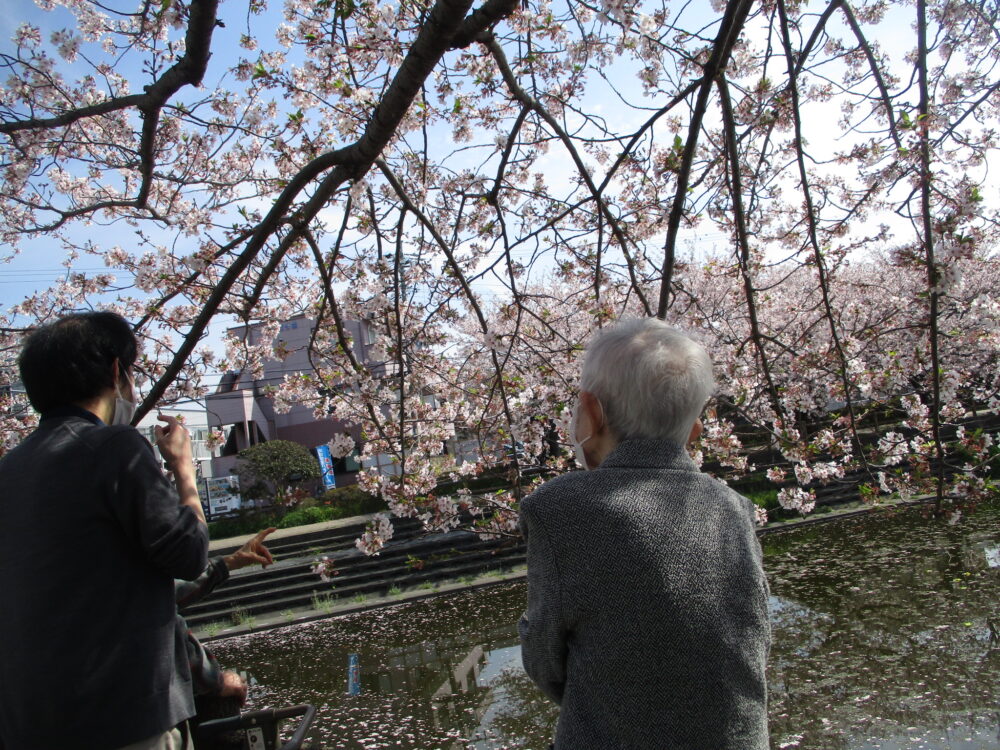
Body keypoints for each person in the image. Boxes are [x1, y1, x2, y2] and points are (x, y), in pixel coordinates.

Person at [518, 318, 770, 749]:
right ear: (694, 433)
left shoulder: (557, 507)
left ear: (591, 412)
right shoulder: (734, 507)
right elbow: (754, 637)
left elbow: (545, 658)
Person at [0, 312, 209, 750]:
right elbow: (189, 553)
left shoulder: (9, 470)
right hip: (123, 717)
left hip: (28, 723)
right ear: (117, 371)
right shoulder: (114, 447)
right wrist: (182, 468)